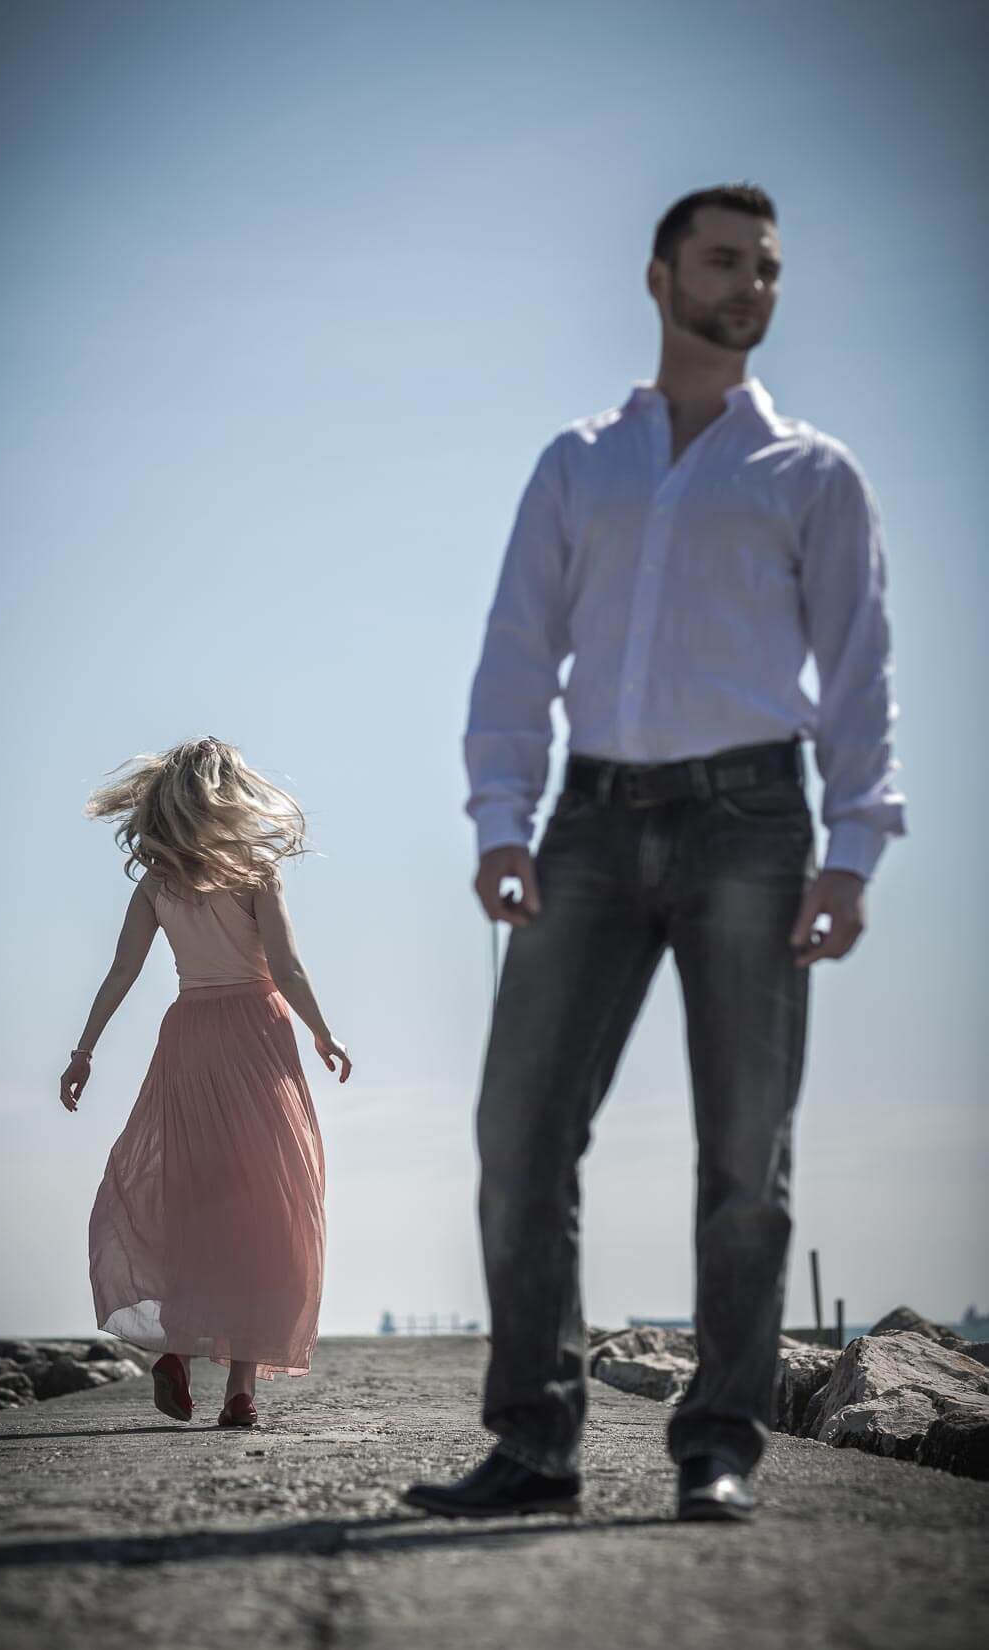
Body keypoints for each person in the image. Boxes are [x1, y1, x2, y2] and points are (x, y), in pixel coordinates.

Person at [404, 183, 906, 1522]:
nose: (751, 285)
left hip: (756, 819)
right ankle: (532, 1447)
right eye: (725, 261)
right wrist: (500, 821)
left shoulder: (814, 475)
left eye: (769, 269)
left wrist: (854, 845)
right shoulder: (580, 461)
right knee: (518, 1131)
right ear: (659, 276)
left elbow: (859, 673)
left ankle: (720, 1443)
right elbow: (517, 649)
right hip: (590, 818)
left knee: (745, 1150)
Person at [60, 736, 350, 1429]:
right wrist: (322, 1031)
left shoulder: (157, 881)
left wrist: (84, 1050)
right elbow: (286, 968)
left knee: (197, 1200)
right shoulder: (256, 872)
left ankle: (177, 1353)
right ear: (229, 795)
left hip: (189, 1037)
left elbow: (122, 972)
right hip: (255, 1037)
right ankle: (241, 1395)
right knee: (267, 1208)